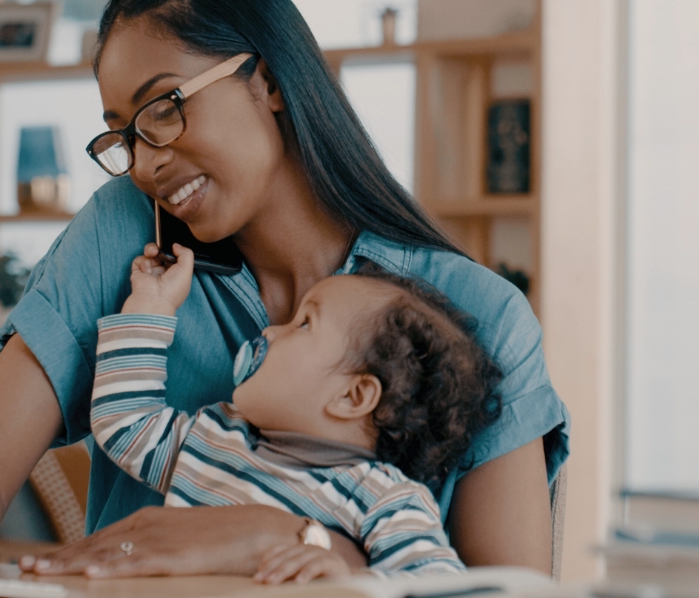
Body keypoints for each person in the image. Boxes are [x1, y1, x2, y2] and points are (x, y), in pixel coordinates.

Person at [0, 0, 569, 578]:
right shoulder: (130, 236)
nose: (144, 163)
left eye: (163, 109)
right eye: (122, 136)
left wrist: (281, 538)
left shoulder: (480, 316)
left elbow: (501, 590)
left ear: (268, 81)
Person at [93, 241, 501, 582]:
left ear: (353, 396)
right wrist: (151, 304)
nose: (269, 332)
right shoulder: (214, 437)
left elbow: (439, 585)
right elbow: (125, 425)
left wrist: (349, 581)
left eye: (303, 323)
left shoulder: (382, 498)